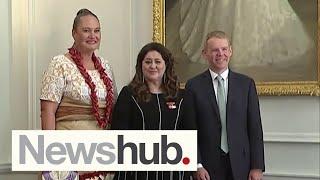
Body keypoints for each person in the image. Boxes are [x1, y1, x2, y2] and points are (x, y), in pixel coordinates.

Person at [40, 8, 116, 180]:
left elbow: (113, 108)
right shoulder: (60, 64)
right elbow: (47, 111)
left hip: (101, 152)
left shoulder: (106, 65)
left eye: (97, 30)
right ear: (74, 33)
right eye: (86, 30)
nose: (93, 35)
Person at [185, 31, 265, 180]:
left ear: (230, 51)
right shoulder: (193, 86)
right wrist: (196, 165)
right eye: (215, 50)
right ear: (205, 54)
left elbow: (255, 128)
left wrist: (257, 166)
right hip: (207, 167)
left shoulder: (246, 84)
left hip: (242, 165)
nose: (220, 54)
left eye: (224, 49)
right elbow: (190, 128)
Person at [111, 42, 195, 180]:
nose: (153, 66)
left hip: (174, 172)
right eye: (148, 62)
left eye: (158, 62)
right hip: (136, 172)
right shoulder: (129, 94)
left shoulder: (181, 96)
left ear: (166, 65)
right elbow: (118, 133)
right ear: (141, 65)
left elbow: (190, 133)